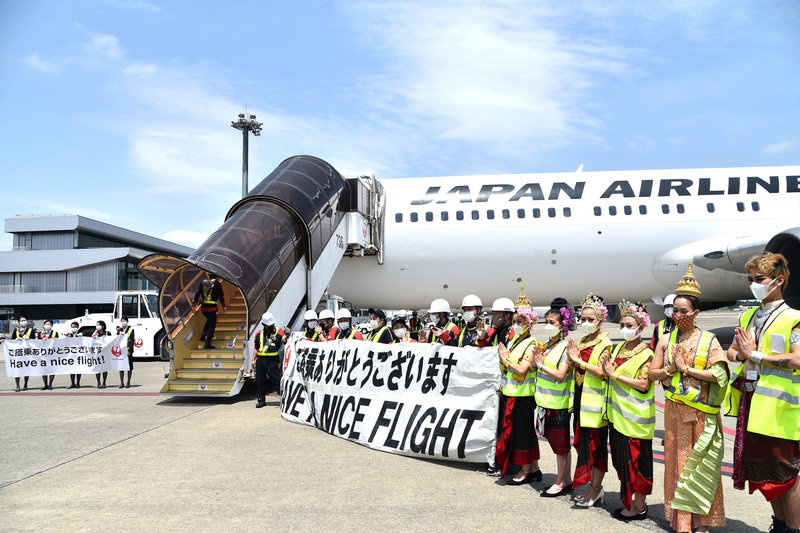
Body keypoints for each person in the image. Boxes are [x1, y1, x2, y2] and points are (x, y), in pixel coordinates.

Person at [650, 263, 728, 533]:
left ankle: (703, 522)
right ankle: (682, 521)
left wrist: (687, 369)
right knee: (677, 463)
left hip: (701, 413)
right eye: (675, 310)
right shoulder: (665, 341)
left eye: (684, 311)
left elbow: (719, 375)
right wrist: (671, 369)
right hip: (674, 411)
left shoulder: (709, 340)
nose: (678, 315)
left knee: (700, 465)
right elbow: (652, 374)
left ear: (695, 312)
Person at [726, 252, 800, 533]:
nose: (753, 284)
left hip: (780, 408)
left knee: (786, 473)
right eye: (750, 280)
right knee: (763, 472)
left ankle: (794, 528)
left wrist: (754, 354)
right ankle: (778, 525)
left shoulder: (794, 318)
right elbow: (733, 352)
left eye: (759, 279)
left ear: (778, 281)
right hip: (752, 403)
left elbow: (797, 360)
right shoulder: (748, 316)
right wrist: (742, 355)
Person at [602, 301, 655, 520]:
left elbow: (643, 384)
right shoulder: (618, 349)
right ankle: (629, 501)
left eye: (629, 324)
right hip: (617, 416)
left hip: (636, 419)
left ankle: (639, 506)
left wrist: (613, 374)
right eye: (622, 324)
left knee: (639, 463)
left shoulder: (647, 354)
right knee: (622, 461)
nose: (625, 328)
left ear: (641, 327)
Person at [567, 294, 612, 507]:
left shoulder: (605, 342)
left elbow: (604, 371)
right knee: (584, 443)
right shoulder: (584, 340)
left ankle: (596, 487)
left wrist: (578, 361)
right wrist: (572, 359)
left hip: (595, 402)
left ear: (600, 320)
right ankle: (591, 485)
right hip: (580, 398)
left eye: (590, 319)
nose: (586, 323)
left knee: (597, 445)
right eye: (583, 319)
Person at [494, 307, 542, 484]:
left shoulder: (531, 344)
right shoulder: (514, 339)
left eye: (519, 322)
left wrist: (505, 358)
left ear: (528, 324)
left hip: (523, 396)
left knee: (522, 434)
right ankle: (534, 468)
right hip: (511, 392)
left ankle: (525, 470)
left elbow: (522, 369)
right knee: (526, 432)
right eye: (514, 322)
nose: (515, 325)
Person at [532, 305, 575, 497]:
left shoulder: (565, 348)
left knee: (561, 447)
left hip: (558, 405)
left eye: (552, 322)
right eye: (546, 322)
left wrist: (540, 363)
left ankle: (560, 482)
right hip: (545, 403)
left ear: (562, 325)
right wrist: (535, 361)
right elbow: (536, 369)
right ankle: (566, 479)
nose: (548, 325)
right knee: (557, 445)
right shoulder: (547, 346)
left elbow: (560, 374)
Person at [251, 312, 288, 408]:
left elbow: (285, 340)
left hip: (272, 361)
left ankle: (285, 400)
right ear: (264, 324)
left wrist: (287, 334)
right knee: (260, 381)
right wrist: (253, 360)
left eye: (272, 324)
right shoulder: (258, 334)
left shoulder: (278, 331)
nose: (271, 326)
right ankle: (261, 400)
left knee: (277, 381)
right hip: (260, 360)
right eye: (269, 325)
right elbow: (256, 348)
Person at [192, 278, 226, 349]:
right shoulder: (218, 283)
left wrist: (195, 301)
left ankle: (203, 335)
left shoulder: (203, 282)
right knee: (212, 325)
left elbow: (198, 292)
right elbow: (221, 296)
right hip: (212, 308)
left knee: (209, 320)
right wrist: (224, 307)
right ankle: (207, 343)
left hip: (203, 308)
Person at [11, 316, 36, 392]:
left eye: (24, 320)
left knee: (26, 368)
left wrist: (30, 340)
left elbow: (35, 340)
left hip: (26, 352)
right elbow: (12, 340)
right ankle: (17, 385)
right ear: (19, 322)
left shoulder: (30, 330)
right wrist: (16, 339)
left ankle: (25, 384)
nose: (23, 322)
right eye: (22, 320)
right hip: (18, 352)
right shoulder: (16, 330)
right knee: (17, 369)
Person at [38, 320, 59, 390]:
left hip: (52, 353)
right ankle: (45, 384)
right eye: (46, 324)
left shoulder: (55, 333)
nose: (47, 326)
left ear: (51, 325)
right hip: (43, 354)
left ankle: (50, 384)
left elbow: (59, 343)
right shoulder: (40, 333)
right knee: (44, 369)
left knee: (52, 369)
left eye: (49, 324)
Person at [93, 320, 112, 389]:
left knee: (104, 368)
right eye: (97, 324)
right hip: (97, 353)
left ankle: (104, 382)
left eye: (99, 325)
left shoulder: (107, 333)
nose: (98, 326)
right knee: (98, 368)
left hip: (105, 353)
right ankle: (98, 382)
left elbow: (111, 341)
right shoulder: (95, 333)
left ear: (103, 326)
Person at [117, 316, 135, 388]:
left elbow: (132, 341)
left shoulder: (131, 329)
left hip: (128, 351)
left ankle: (128, 382)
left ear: (127, 321)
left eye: (124, 320)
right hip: (121, 351)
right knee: (121, 367)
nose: (123, 322)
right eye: (122, 321)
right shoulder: (119, 330)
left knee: (129, 367)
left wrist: (129, 350)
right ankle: (121, 382)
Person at [66, 321, 83, 389]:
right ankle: (72, 383)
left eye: (75, 327)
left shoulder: (81, 334)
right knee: (71, 369)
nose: (74, 328)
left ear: (78, 327)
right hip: (71, 354)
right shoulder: (68, 335)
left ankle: (78, 383)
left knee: (78, 369)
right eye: (72, 327)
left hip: (78, 354)